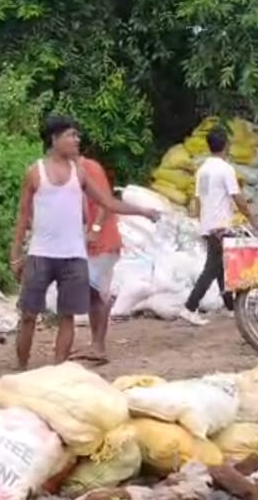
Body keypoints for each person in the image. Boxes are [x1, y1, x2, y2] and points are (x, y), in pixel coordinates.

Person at [10, 116, 159, 369]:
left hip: (73, 256)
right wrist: (15, 255)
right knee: (28, 315)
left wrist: (143, 211)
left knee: (66, 316)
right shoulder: (36, 173)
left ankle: (58, 369)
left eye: (77, 135)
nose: (77, 140)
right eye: (71, 135)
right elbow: (23, 215)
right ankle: (21, 367)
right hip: (40, 254)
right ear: (54, 139)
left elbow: (108, 203)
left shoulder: (79, 174)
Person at [180, 128, 252, 326]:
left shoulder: (203, 170)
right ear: (226, 145)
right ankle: (189, 307)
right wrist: (249, 215)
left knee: (221, 267)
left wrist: (201, 222)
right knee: (212, 268)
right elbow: (237, 196)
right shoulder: (225, 169)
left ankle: (230, 307)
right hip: (220, 226)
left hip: (208, 224)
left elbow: (199, 199)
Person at [71, 139, 122, 366]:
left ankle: (99, 347)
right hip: (90, 244)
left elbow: (105, 202)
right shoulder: (73, 174)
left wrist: (95, 229)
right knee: (93, 294)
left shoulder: (90, 168)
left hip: (104, 241)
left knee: (95, 294)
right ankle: (95, 344)